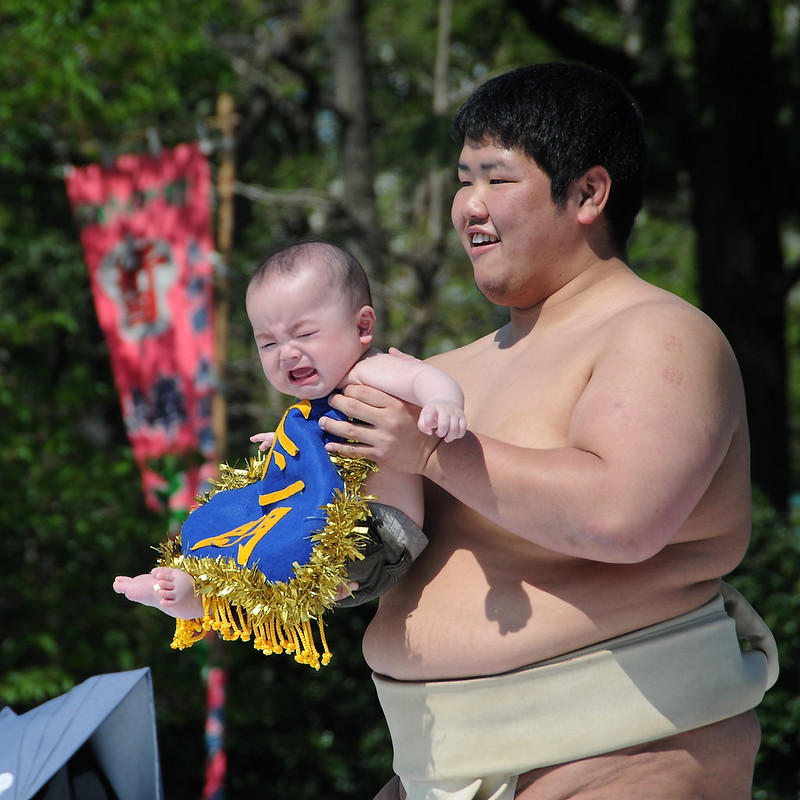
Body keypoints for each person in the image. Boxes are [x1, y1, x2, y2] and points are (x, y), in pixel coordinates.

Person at [319, 63, 779, 799]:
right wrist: (278, 539)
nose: (468, 204)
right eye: (462, 178)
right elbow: (379, 553)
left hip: (627, 754)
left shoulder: (660, 335)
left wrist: (433, 449)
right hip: (434, 764)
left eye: (497, 180)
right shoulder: (440, 373)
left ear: (589, 193)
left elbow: (620, 517)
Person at [114, 240, 466, 623]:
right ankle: (196, 590)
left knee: (290, 546)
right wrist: (288, 445)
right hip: (319, 516)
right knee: (229, 512)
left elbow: (424, 377)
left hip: (377, 536)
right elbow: (320, 445)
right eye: (268, 343)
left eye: (305, 334)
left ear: (362, 326)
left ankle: (246, 590)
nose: (287, 352)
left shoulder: (368, 370)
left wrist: (442, 403)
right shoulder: (310, 402)